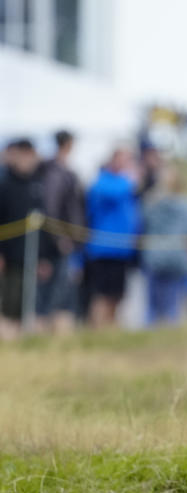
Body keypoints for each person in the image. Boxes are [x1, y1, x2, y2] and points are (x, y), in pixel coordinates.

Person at [0, 139, 56, 339]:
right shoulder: (4, 185)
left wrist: (44, 257)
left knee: (31, 302)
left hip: (32, 257)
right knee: (10, 303)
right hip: (10, 257)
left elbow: (42, 224)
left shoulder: (37, 185)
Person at [85, 146, 141, 328]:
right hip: (104, 249)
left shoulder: (123, 182)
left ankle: (110, 327)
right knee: (102, 294)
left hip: (122, 250)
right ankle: (97, 328)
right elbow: (115, 193)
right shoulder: (102, 182)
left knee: (118, 295)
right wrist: (130, 179)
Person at [141, 164, 187, 325]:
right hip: (179, 256)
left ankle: (151, 337)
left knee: (152, 305)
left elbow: (143, 223)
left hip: (154, 255)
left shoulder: (151, 202)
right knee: (173, 303)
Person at [37, 130, 85, 333]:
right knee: (55, 295)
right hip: (57, 244)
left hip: (65, 241)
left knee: (62, 293)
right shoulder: (56, 172)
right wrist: (59, 238)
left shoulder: (62, 171)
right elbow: (51, 207)